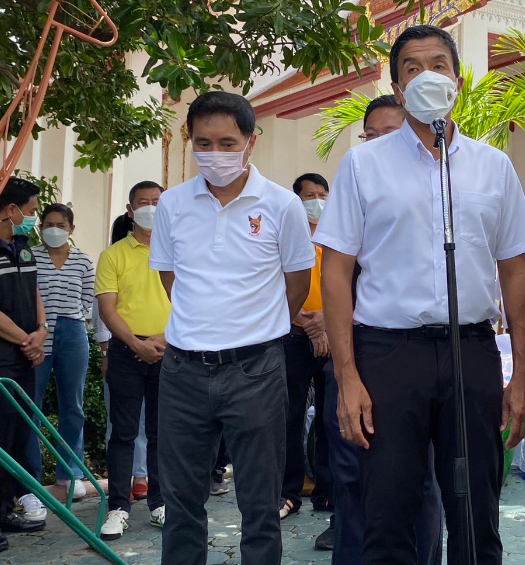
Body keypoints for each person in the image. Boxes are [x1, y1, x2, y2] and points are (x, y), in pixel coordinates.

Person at [315, 25, 525, 565]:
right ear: (397, 88)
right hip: (388, 354)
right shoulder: (364, 164)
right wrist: (347, 378)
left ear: (457, 79)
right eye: (412, 69)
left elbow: (515, 271)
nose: (427, 76)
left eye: (439, 65)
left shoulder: (493, 166)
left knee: (476, 511)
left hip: (472, 350)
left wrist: (523, 376)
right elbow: (336, 273)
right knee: (388, 512)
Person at [150, 91, 314, 565]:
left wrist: (255, 327)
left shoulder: (282, 205)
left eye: (227, 143)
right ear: (190, 141)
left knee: (260, 505)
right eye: (203, 143)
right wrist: (204, 324)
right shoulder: (172, 204)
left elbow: (298, 283)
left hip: (256, 372)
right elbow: (171, 277)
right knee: (181, 504)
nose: (215, 154)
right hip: (182, 372)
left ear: (250, 142)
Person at [322, 94, 444, 565]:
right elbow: (334, 276)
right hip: (352, 356)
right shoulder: (356, 189)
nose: (377, 144)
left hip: (404, 355)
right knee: (351, 475)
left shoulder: (429, 205)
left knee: (417, 480)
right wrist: (344, 369)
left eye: (388, 134)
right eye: (369, 135)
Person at [95, 181, 169, 540]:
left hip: (170, 350)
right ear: (130, 210)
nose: (150, 208)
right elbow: (107, 309)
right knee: (123, 433)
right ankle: (119, 508)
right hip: (126, 351)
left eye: (157, 202)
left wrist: (165, 339)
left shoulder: (178, 250)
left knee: (161, 432)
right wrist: (136, 344)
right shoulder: (113, 256)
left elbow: (192, 300)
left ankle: (159, 504)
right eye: (143, 202)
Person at [24, 204, 94, 501]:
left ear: (71, 229)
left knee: (72, 406)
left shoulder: (83, 261)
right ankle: (30, 476)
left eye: (61, 225)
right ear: (40, 227)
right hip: (37, 334)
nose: (55, 229)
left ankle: (70, 473)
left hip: (72, 332)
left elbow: (87, 299)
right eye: (49, 224)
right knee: (31, 405)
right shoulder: (29, 257)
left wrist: (71, 319)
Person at [279, 173, 333, 532]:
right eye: (309, 195)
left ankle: (329, 491)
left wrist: (326, 322)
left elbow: (349, 283)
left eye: (322, 194)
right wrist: (307, 323)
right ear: (296, 201)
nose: (317, 201)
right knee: (290, 416)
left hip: (334, 335)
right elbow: (277, 285)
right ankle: (288, 492)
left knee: (332, 417)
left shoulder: (338, 236)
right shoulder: (288, 236)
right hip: (294, 334)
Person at [0, 177, 49, 552]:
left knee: (18, 437)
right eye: (31, 211)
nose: (33, 218)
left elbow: (34, 293)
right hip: (5, 359)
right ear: (11, 210)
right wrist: (25, 339)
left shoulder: (23, 248)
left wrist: (42, 331)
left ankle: (6, 509)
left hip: (25, 359)